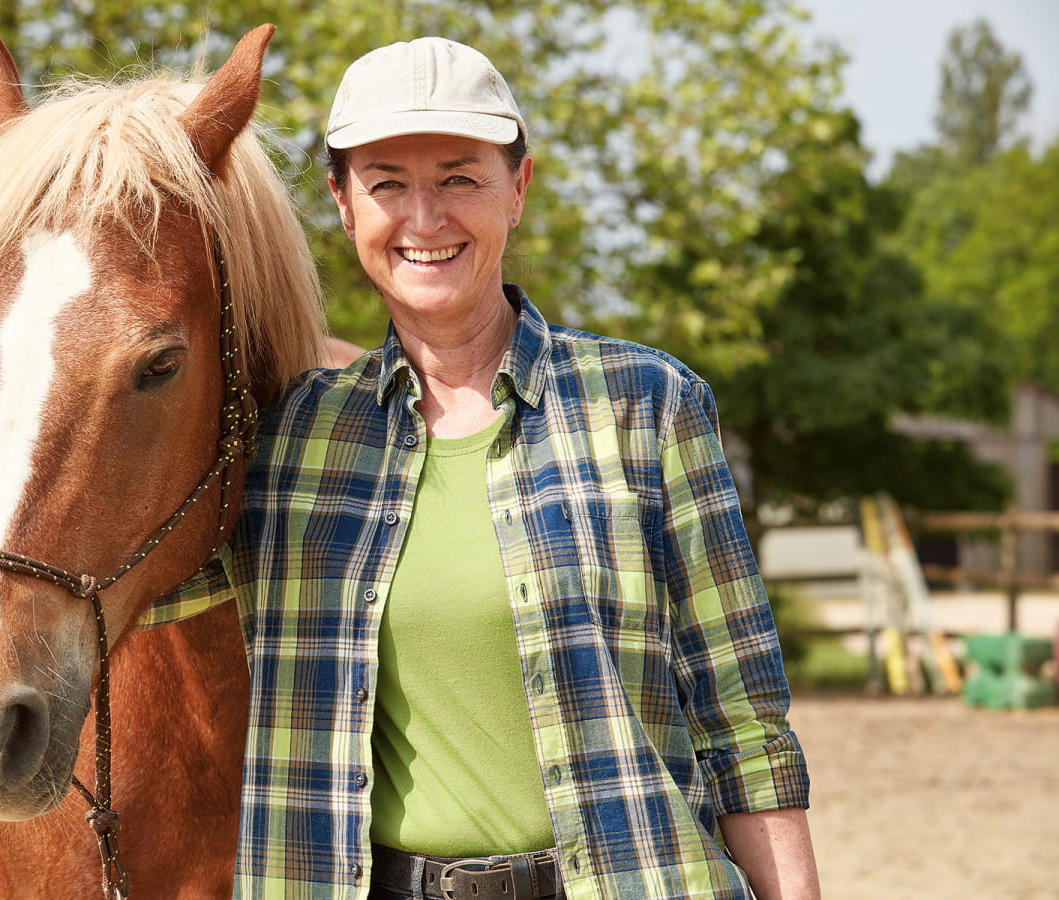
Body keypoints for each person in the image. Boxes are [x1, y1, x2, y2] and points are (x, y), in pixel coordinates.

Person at [146, 36, 819, 900]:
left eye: (460, 179)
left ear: (519, 190)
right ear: (344, 206)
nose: (424, 219)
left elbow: (743, 723)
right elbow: (114, 582)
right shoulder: (291, 442)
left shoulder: (646, 405)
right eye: (387, 183)